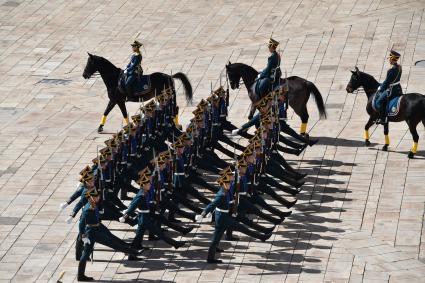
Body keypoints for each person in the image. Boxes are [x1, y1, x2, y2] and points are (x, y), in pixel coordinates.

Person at [376, 50, 402, 124]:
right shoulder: (399, 67)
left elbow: (387, 82)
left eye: (390, 59)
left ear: (392, 59)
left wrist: (381, 88)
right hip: (398, 88)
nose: (389, 60)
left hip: (392, 90)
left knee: (379, 102)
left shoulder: (391, 70)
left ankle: (383, 119)